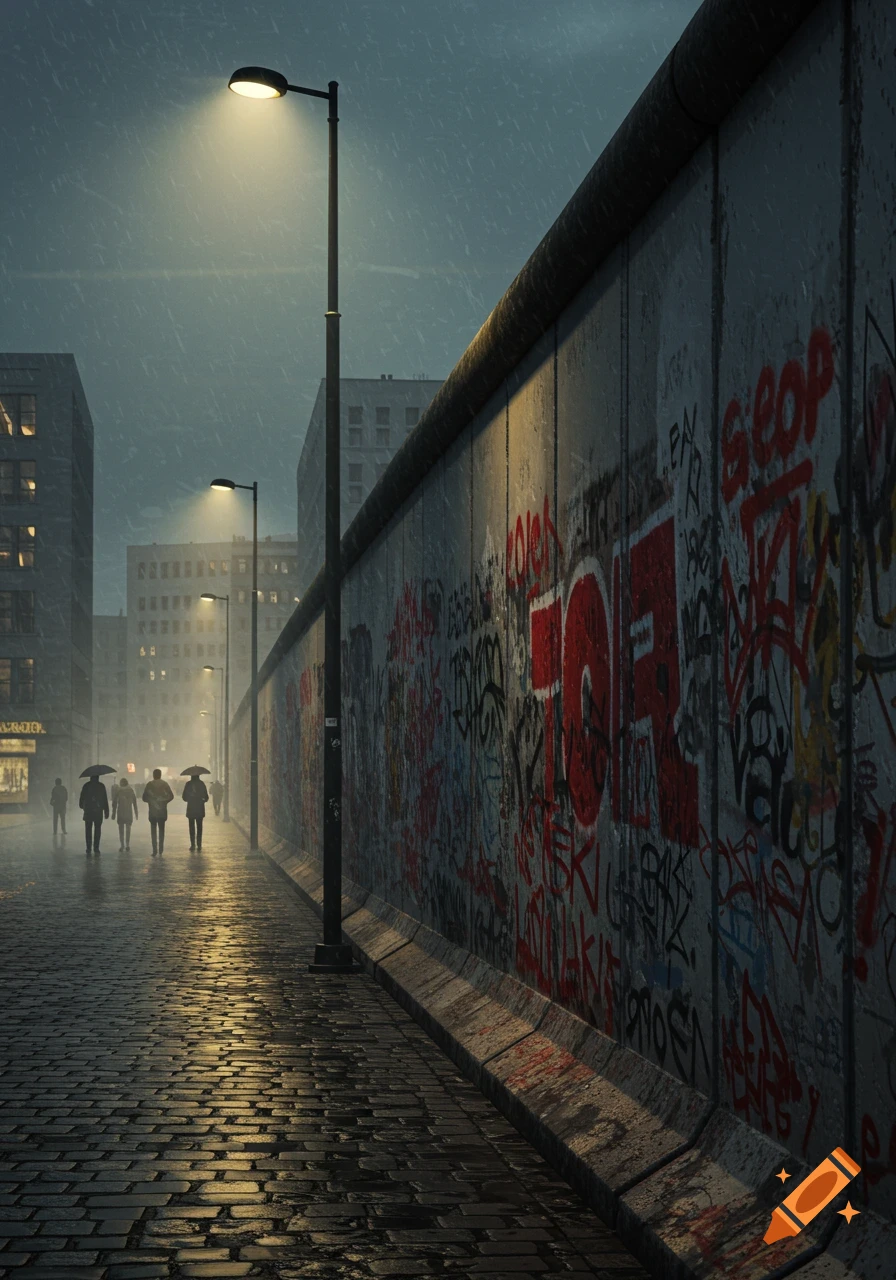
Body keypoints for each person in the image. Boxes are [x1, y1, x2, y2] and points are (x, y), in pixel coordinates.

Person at [142, 769, 174, 855]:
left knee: (153, 831)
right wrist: (164, 801)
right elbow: (171, 796)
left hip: (152, 812)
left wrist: (151, 801)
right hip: (162, 811)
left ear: (153, 775)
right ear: (160, 775)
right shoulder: (165, 784)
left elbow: (144, 798)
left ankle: (154, 849)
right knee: (161, 830)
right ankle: (161, 849)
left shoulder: (149, 785)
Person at [79, 774, 109, 854]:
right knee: (97, 829)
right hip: (98, 811)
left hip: (88, 811)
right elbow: (104, 799)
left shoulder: (86, 786)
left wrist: (82, 805)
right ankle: (96, 848)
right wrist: (106, 811)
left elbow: (82, 798)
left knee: (88, 830)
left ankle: (88, 848)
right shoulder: (101, 786)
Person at [183, 774, 209, 850]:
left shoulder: (188, 784)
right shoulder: (201, 784)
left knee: (191, 827)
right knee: (199, 827)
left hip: (191, 808)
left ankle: (192, 844)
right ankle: (199, 844)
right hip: (200, 808)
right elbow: (206, 798)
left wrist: (191, 797)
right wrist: (201, 799)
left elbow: (184, 797)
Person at [111, 777, 138, 851]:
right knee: (128, 829)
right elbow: (135, 803)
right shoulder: (131, 790)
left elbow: (114, 803)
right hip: (128, 812)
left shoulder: (118, 791)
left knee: (121, 829)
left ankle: (122, 845)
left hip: (120, 812)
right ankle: (127, 844)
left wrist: (113, 814)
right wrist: (136, 813)